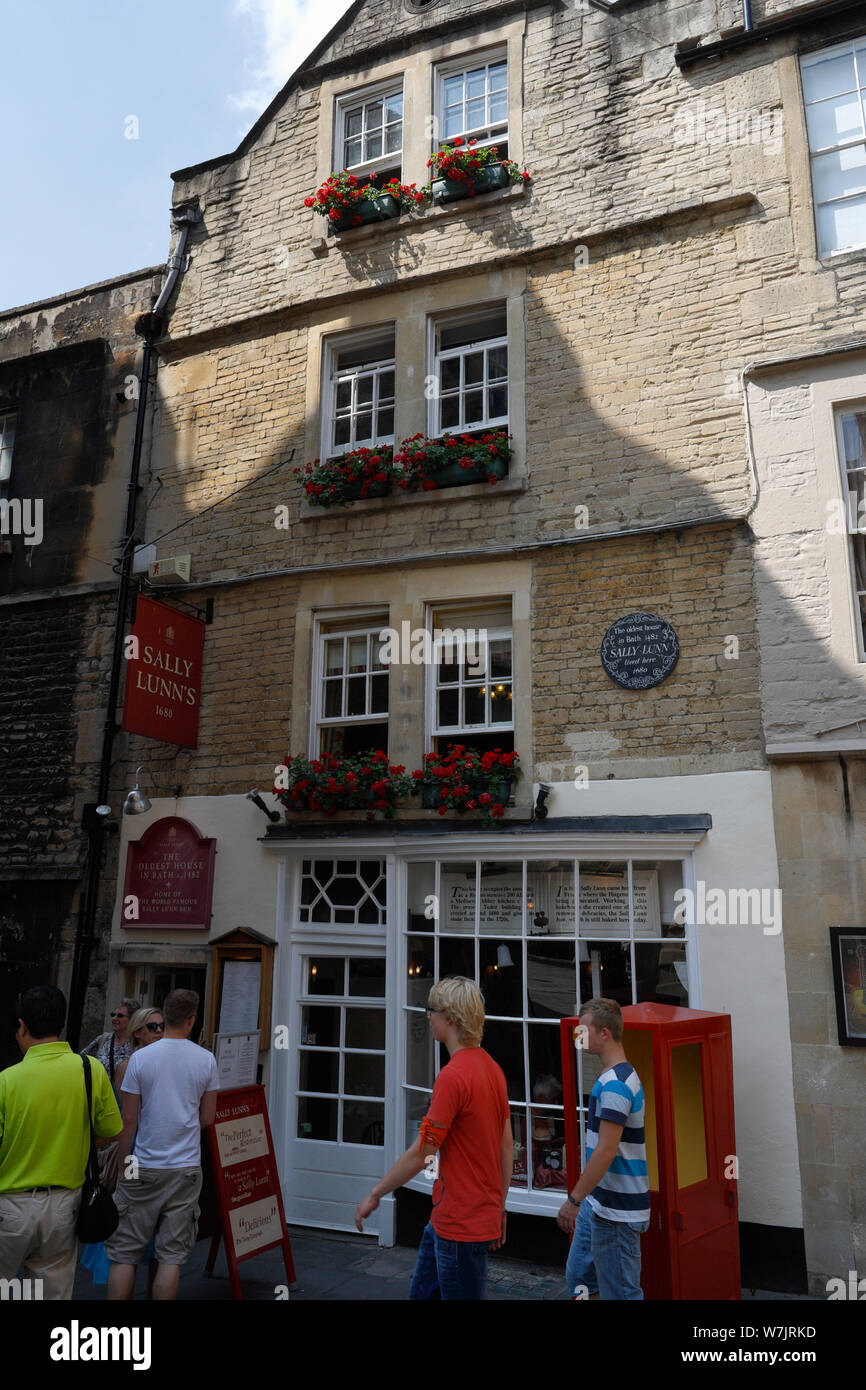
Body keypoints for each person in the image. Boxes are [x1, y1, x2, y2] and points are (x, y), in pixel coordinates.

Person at [355, 976, 512, 1300]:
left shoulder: (452, 1077)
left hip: (459, 1224)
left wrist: (376, 1194)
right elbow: (505, 1146)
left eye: (433, 1010)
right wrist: (499, 1207)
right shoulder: (492, 1069)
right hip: (452, 1219)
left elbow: (423, 1154)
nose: (428, 1016)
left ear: (451, 1019)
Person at [0, 985, 121, 1300]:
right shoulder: (89, 1070)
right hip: (65, 1205)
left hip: (10, 1205)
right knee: (51, 1293)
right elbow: (110, 1129)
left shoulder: (6, 1081)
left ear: (22, 1026)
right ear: (62, 1024)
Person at [105, 988, 219, 1301]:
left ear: (164, 1018)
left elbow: (129, 1120)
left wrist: (125, 1164)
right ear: (192, 1019)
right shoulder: (206, 1060)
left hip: (142, 1163)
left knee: (124, 1253)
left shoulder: (140, 1059)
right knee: (170, 1257)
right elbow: (208, 1119)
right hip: (184, 1167)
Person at [557, 997, 650, 1301]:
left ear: (605, 1033)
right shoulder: (614, 1078)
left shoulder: (616, 1085)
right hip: (599, 1203)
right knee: (581, 1279)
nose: (578, 1037)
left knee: (621, 1293)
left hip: (616, 1211)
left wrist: (574, 1199)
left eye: (583, 1031)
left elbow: (606, 1151)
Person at [79, 1006, 165, 1289]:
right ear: (138, 1032)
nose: (160, 1032)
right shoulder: (129, 1065)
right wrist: (125, 1157)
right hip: (135, 1148)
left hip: (157, 1153)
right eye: (153, 1027)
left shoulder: (161, 1062)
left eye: (162, 1026)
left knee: (155, 1234)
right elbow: (125, 1116)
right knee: (124, 1228)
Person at [81, 997, 139, 1094]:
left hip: (123, 1099)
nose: (114, 1018)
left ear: (132, 1020)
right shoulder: (104, 1039)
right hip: (100, 1095)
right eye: (113, 1015)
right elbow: (82, 1059)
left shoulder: (137, 1044)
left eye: (120, 1016)